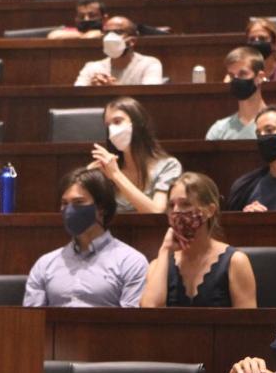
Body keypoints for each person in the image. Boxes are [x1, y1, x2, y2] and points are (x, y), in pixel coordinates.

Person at [23, 167, 148, 307]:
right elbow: (31, 322)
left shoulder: (131, 262)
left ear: (102, 208)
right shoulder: (45, 265)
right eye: (65, 204)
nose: (70, 210)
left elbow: (132, 323)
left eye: (79, 202)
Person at [141, 172, 257, 308]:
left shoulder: (235, 262)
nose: (176, 211)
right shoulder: (158, 264)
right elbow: (150, 310)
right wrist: (165, 249)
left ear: (210, 210)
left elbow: (247, 324)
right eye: (172, 205)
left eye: (185, 204)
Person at [90, 97, 181, 214]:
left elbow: (156, 212)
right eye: (108, 125)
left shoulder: (169, 166)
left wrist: (116, 175)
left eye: (117, 121)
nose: (112, 129)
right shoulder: (104, 169)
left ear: (138, 123)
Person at [73, 16, 163, 86]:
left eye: (118, 32)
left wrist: (113, 88)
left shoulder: (149, 64)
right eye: (107, 33)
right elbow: (77, 94)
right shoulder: (92, 67)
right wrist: (92, 89)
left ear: (132, 41)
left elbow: (149, 95)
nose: (110, 37)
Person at [206, 47, 268, 141]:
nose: (236, 79)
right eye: (231, 75)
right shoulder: (218, 130)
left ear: (260, 77)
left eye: (242, 74)